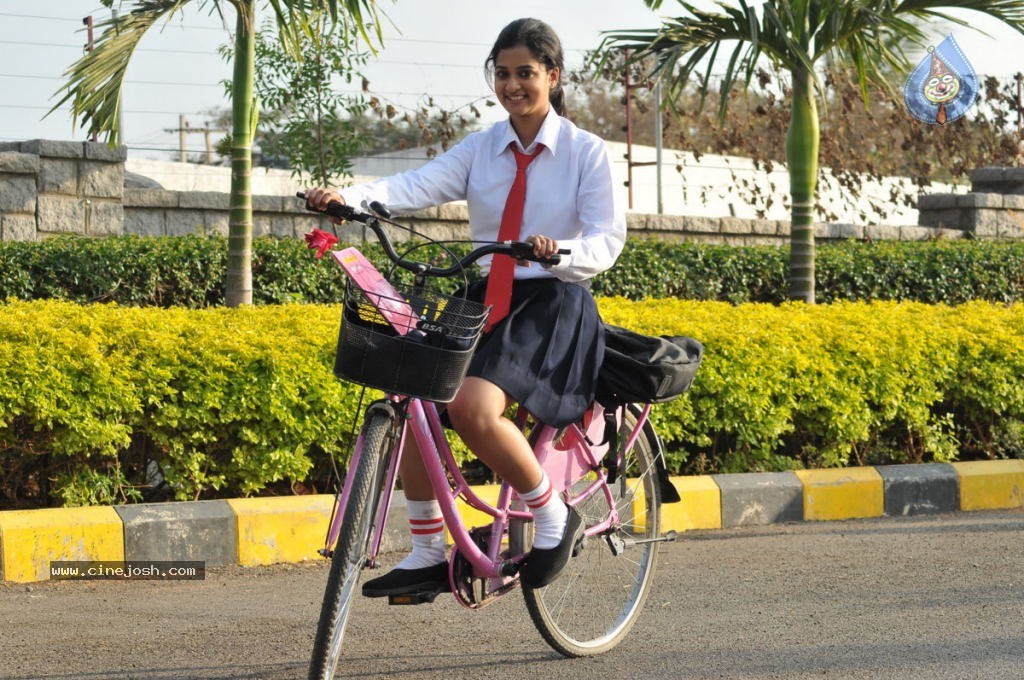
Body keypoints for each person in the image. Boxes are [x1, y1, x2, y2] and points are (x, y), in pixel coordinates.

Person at [303, 17, 626, 594]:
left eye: (525, 73)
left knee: (474, 407)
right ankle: (428, 549)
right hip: (482, 294)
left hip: (553, 299)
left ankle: (552, 517)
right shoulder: (482, 149)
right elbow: (413, 186)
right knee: (415, 394)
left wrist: (559, 252)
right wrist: (346, 198)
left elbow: (606, 240)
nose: (512, 86)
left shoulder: (586, 152)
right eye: (502, 74)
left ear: (552, 76)